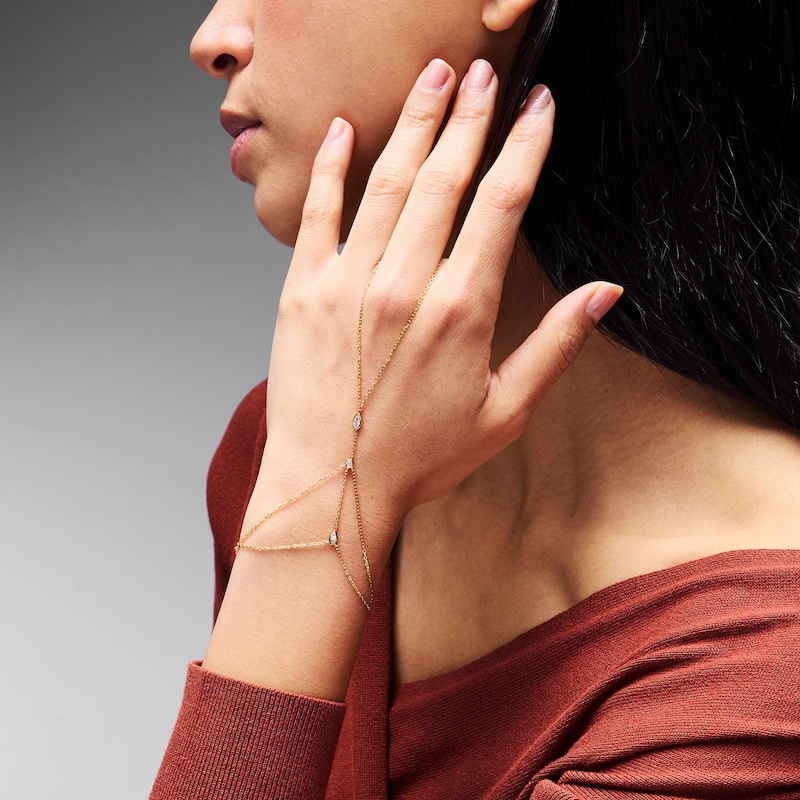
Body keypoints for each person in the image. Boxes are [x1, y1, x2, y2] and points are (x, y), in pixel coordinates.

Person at [151, 0, 800, 797]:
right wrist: (320, 488)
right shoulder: (298, 442)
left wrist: (316, 511)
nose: (211, 40)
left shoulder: (757, 672)